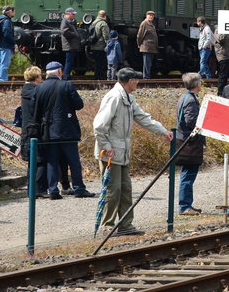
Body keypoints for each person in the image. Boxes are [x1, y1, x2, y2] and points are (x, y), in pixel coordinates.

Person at [93, 68, 172, 236]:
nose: (138, 82)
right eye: (136, 79)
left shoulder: (128, 98)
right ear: (129, 81)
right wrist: (106, 146)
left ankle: (125, 225)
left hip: (122, 153)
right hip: (110, 154)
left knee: (125, 189)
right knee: (112, 190)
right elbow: (99, 126)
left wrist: (162, 130)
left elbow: (143, 118)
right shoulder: (114, 98)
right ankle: (107, 226)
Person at [33, 61, 94, 199]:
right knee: (73, 161)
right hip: (67, 130)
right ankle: (79, 188)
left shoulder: (39, 88)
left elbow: (35, 111)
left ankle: (53, 190)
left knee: (52, 161)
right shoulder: (67, 85)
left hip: (48, 131)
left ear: (47, 73)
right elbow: (79, 105)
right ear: (59, 72)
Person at [175, 72, 206, 215]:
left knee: (186, 173)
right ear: (196, 84)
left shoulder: (184, 97)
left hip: (184, 140)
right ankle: (185, 206)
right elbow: (190, 122)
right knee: (188, 174)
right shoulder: (191, 101)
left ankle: (187, 204)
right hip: (190, 143)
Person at [18, 65, 50, 196]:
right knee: (40, 159)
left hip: (27, 130)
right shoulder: (35, 92)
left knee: (33, 162)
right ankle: (38, 189)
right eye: (40, 76)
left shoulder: (26, 90)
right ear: (37, 78)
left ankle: (32, 189)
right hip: (34, 130)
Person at [0, 5, 16, 81]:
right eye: (13, 11)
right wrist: (13, 41)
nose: (14, 13)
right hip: (6, 45)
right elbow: (7, 33)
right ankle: (3, 80)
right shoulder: (7, 21)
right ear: (10, 12)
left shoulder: (1, 19)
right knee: (4, 64)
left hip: (0, 44)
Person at [59, 7, 82, 79]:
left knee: (70, 62)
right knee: (69, 62)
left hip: (71, 45)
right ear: (68, 14)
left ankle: (67, 75)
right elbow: (64, 31)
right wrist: (74, 34)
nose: (74, 15)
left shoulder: (70, 21)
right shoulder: (65, 21)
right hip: (69, 45)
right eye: (73, 14)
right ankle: (66, 76)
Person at [88, 10, 110, 80]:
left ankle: (97, 76)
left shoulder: (93, 22)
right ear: (105, 16)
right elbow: (106, 36)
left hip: (93, 45)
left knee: (97, 63)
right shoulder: (103, 24)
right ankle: (98, 77)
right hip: (100, 47)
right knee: (100, 63)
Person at [137, 11, 158, 79]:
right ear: (146, 16)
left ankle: (147, 76)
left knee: (149, 63)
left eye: (152, 15)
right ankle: (146, 77)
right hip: (146, 47)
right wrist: (139, 44)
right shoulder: (144, 24)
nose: (151, 17)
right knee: (147, 63)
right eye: (150, 15)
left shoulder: (151, 24)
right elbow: (140, 35)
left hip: (151, 47)